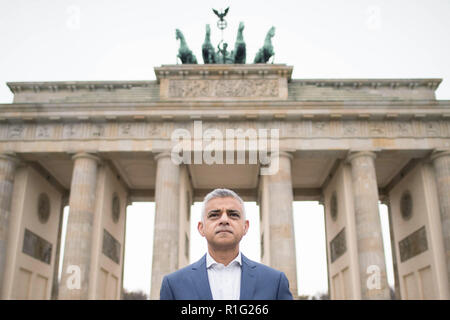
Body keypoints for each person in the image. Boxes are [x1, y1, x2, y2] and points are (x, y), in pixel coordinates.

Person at [160, 188, 293, 300]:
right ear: (201, 228)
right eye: (214, 215)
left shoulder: (275, 282)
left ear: (245, 227)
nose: (224, 220)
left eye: (233, 214)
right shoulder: (173, 285)